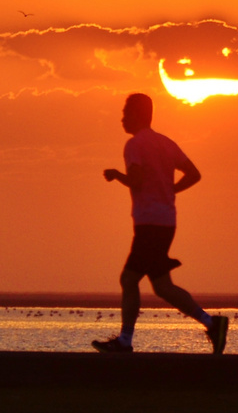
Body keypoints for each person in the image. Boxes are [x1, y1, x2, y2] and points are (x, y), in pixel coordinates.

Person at [91, 92, 228, 354]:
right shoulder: (166, 143)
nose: (121, 119)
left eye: (125, 113)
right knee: (163, 286)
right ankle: (212, 323)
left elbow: (138, 181)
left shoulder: (134, 145)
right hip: (166, 222)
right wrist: (170, 191)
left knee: (129, 279)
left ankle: (125, 341)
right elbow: (194, 174)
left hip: (149, 225)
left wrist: (118, 175)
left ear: (138, 115)